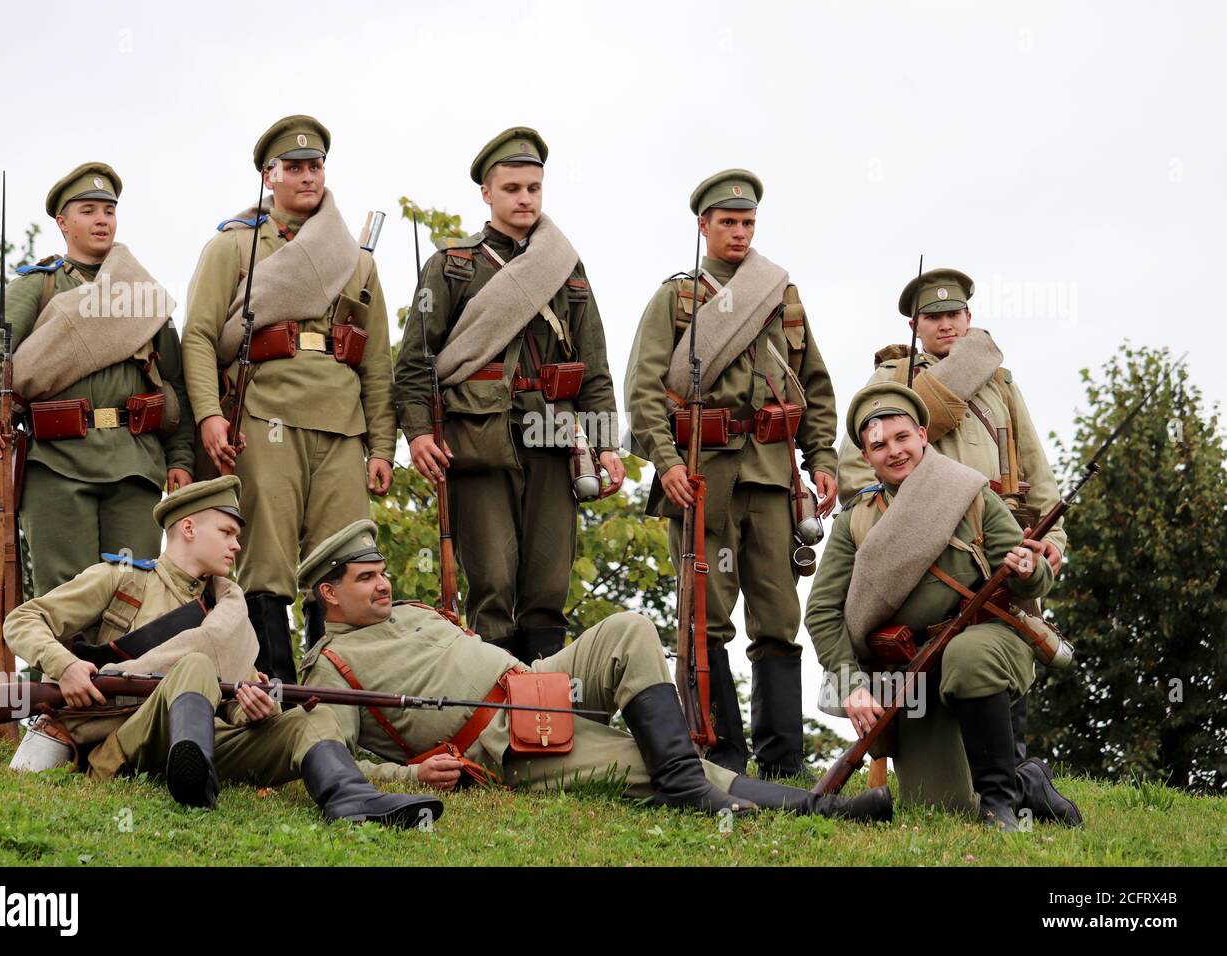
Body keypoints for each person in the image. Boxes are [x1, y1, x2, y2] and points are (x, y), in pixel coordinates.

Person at [293, 519, 892, 822]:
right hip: (508, 741)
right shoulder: (333, 667)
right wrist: (412, 777)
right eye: (364, 578)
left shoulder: (408, 613)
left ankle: (685, 785)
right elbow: (336, 756)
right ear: (328, 594)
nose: (383, 583)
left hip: (538, 683)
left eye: (381, 573)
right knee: (654, 766)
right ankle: (825, 811)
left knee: (629, 627)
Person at [2, 476, 440, 828]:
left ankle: (350, 799)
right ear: (188, 528)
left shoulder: (229, 612)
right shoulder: (122, 580)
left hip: (204, 743)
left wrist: (252, 709)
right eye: (227, 532)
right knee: (194, 665)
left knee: (315, 716)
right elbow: (21, 620)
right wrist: (67, 666)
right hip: (123, 738)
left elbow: (232, 705)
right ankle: (194, 782)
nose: (236, 545)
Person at [624, 170, 837, 777]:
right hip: (702, 479)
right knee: (704, 619)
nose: (740, 233)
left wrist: (820, 458)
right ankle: (718, 755)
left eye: (747, 224)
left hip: (772, 478)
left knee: (777, 618)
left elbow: (815, 387)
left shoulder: (783, 297)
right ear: (704, 226)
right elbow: (642, 392)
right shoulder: (676, 299)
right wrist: (664, 462)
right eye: (728, 223)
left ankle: (783, 762)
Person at [805, 383, 1081, 830]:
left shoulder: (971, 493)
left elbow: (1029, 577)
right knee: (942, 807)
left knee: (967, 655)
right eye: (878, 445)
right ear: (866, 456)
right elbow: (822, 610)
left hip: (985, 644)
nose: (893, 452)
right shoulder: (854, 520)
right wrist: (850, 683)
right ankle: (1029, 785)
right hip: (911, 670)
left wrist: (1028, 566)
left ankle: (1000, 805)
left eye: (901, 438)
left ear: (921, 435)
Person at [392, 126, 623, 662]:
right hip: (477, 440)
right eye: (513, 188)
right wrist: (419, 433)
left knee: (547, 587)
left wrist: (605, 443)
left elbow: (594, 367)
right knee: (492, 583)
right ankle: (499, 715)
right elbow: (414, 362)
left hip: (554, 438)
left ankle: (544, 719)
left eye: (534, 188)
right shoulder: (452, 265)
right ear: (486, 193)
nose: (525, 198)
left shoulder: (566, 267)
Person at [182, 115, 397, 683]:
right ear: (267, 176)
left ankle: (337, 693)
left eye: (316, 166)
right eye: (295, 168)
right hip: (265, 413)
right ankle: (272, 690)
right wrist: (208, 414)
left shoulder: (358, 259)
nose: (307, 177)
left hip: (342, 422)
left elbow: (377, 362)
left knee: (347, 559)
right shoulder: (232, 247)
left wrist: (382, 446)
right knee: (267, 559)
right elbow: (199, 336)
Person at [833, 268, 1067, 760]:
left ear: (969, 317)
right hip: (923, 548)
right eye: (933, 317)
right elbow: (855, 477)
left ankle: (1015, 773)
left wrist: (1054, 538)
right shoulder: (892, 385)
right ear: (915, 325)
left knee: (1007, 633)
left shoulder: (999, 383)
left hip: (996, 538)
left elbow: (1035, 465)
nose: (946, 325)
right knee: (924, 667)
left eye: (954, 315)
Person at [0, 162, 194, 595]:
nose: (102, 219)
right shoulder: (40, 286)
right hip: (57, 463)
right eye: (88, 210)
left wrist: (180, 460)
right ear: (63, 222)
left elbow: (173, 385)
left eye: (108, 210)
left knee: (133, 602)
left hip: (135, 462)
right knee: (65, 604)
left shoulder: (142, 293)